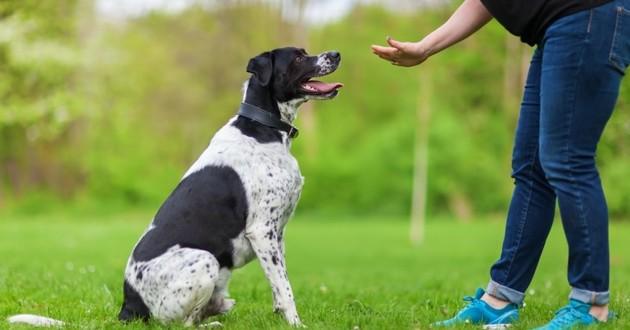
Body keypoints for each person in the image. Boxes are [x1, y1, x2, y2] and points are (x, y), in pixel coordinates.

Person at [372, 0, 629, 328]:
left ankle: (592, 303)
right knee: (531, 169)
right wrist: (425, 47)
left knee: (567, 160)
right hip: (557, 29)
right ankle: (500, 298)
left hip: (587, 17)